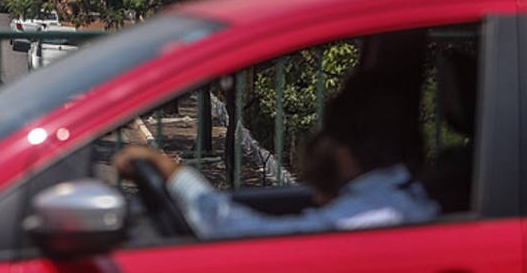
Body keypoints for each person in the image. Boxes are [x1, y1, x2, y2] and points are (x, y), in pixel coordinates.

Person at [113, 70, 440, 240]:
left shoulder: (376, 217)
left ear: (343, 153)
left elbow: (243, 236)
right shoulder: (398, 195)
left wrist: (172, 172)